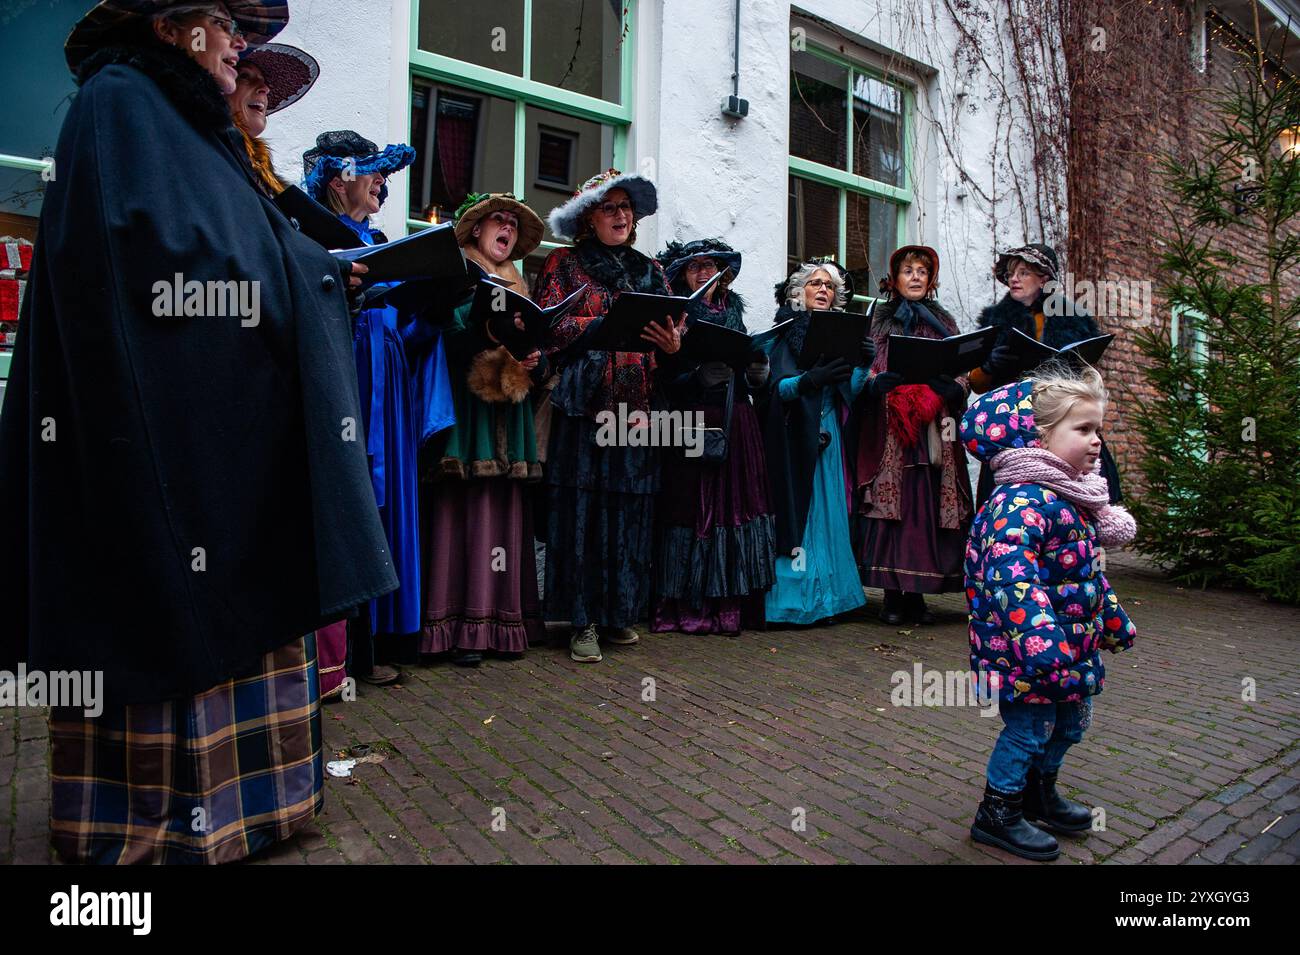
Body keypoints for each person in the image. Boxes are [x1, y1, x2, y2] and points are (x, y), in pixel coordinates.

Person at [0, 0, 398, 863]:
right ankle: (162, 828)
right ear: (168, 26)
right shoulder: (122, 102)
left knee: (246, 588)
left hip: (223, 423)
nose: (240, 46)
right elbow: (160, 258)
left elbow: (241, 244)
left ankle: (255, 807)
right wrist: (308, 274)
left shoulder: (193, 126)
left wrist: (312, 268)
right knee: (166, 607)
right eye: (224, 23)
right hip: (156, 437)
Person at [960, 363, 1137, 861]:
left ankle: (1039, 793)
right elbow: (1010, 580)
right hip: (1026, 651)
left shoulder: (1068, 499)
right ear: (1038, 437)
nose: (1096, 440)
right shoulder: (1019, 502)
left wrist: (1113, 619)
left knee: (1071, 723)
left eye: (1098, 428)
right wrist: (1039, 639)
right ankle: (997, 813)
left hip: (1068, 646)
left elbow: (1086, 574)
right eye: (1082, 429)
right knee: (1028, 729)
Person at [303, 130, 452, 685]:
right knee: (352, 499)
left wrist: (434, 308)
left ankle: (380, 639)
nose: (383, 184)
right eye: (374, 173)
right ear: (340, 180)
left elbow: (403, 333)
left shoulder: (388, 244)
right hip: (344, 386)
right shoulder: (313, 240)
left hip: (386, 391)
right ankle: (341, 652)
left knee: (389, 507)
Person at [534, 169, 687, 663]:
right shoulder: (564, 262)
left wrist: (673, 345)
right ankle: (581, 621)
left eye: (626, 208)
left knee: (628, 509)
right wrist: (601, 323)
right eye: (609, 208)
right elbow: (548, 323)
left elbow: (670, 330)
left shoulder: (651, 271)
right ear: (587, 219)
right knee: (582, 511)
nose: (621, 215)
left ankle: (617, 612)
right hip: (582, 405)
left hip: (637, 407)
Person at [420, 193, 548, 664]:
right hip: (467, 408)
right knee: (464, 504)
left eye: (513, 224)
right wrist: (487, 333)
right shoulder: (458, 275)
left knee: (504, 506)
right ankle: (457, 625)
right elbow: (440, 341)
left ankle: (503, 624)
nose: (507, 229)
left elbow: (537, 345)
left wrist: (537, 358)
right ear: (476, 229)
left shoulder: (521, 283)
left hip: (509, 413)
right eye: (499, 220)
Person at [651, 239, 776, 635]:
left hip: (737, 422)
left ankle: (729, 606)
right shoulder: (674, 315)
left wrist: (755, 373)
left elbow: (745, 367)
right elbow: (662, 376)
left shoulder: (734, 315)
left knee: (734, 509)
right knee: (691, 509)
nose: (705, 273)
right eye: (695, 267)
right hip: (691, 422)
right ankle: (687, 605)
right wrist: (692, 375)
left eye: (713, 266)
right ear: (682, 275)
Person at [856, 246, 974, 625]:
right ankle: (893, 593)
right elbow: (864, 365)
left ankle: (918, 595)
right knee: (895, 504)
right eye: (908, 270)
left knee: (928, 500)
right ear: (896, 277)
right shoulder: (878, 319)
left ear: (931, 279)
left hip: (934, 422)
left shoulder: (945, 322)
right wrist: (877, 383)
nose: (916, 277)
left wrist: (955, 387)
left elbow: (961, 366)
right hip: (892, 423)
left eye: (923, 271)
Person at [761, 261, 874, 625]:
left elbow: (851, 394)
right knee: (800, 517)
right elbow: (776, 389)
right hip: (796, 440)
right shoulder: (785, 334)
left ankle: (828, 601)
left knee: (829, 518)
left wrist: (863, 364)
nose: (823, 289)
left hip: (830, 437)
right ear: (799, 292)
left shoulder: (840, 337)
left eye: (829, 285)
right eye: (815, 283)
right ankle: (794, 604)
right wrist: (810, 380)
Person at [968, 243, 1122, 506]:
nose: (1014, 279)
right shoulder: (995, 321)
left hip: (1062, 423)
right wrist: (991, 366)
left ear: (1044, 279)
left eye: (1024, 273)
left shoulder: (1071, 319)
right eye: (1011, 273)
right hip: (1015, 429)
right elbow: (976, 383)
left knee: (1069, 506)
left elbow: (1089, 377)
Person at [224, 41, 318, 197]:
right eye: (245, 76)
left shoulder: (251, 164)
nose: (265, 89)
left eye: (265, 83)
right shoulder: (206, 147)